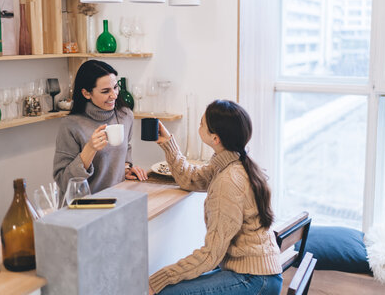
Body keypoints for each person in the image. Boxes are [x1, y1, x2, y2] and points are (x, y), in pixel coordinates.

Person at [149, 100, 282, 295]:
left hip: (254, 279)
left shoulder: (228, 181)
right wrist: (169, 143)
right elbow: (191, 179)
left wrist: (157, 279)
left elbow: (210, 255)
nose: (199, 126)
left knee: (165, 291)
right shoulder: (232, 162)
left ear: (215, 138)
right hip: (255, 273)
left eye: (202, 124)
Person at [53, 60, 147, 198]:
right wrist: (90, 149)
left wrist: (125, 168)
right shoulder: (70, 125)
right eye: (105, 91)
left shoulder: (125, 115)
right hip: (83, 208)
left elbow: (126, 147)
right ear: (86, 93)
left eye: (115, 87)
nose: (114, 95)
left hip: (117, 200)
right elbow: (64, 181)